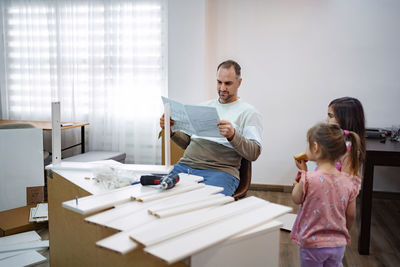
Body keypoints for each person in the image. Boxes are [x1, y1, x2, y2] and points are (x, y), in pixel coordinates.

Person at [160, 60, 263, 196]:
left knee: (206, 207)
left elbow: (254, 153)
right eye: (219, 82)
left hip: (219, 172)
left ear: (239, 82)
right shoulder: (204, 107)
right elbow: (187, 143)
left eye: (228, 83)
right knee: (155, 195)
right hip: (185, 167)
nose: (222, 88)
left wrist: (233, 135)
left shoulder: (249, 113)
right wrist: (171, 131)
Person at [291, 123, 362, 267]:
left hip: (312, 243)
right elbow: (351, 215)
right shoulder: (349, 182)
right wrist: (343, 232)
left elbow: (296, 198)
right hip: (338, 244)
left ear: (315, 147)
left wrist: (302, 173)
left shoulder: (309, 179)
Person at [296, 97, 366, 175]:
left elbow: (345, 183)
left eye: (331, 116)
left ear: (345, 119)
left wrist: (305, 173)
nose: (327, 120)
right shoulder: (335, 142)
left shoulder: (349, 150)